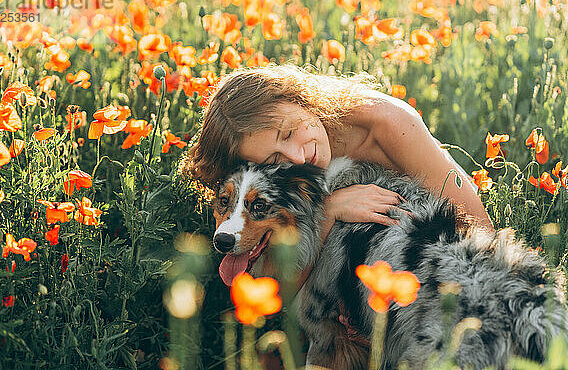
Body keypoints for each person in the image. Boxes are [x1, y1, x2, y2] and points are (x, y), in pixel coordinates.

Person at [182, 64, 494, 259]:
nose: (298, 156)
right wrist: (329, 209)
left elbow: (481, 231)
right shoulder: (272, 184)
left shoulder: (391, 123)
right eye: (275, 159)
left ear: (297, 98)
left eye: (289, 131)